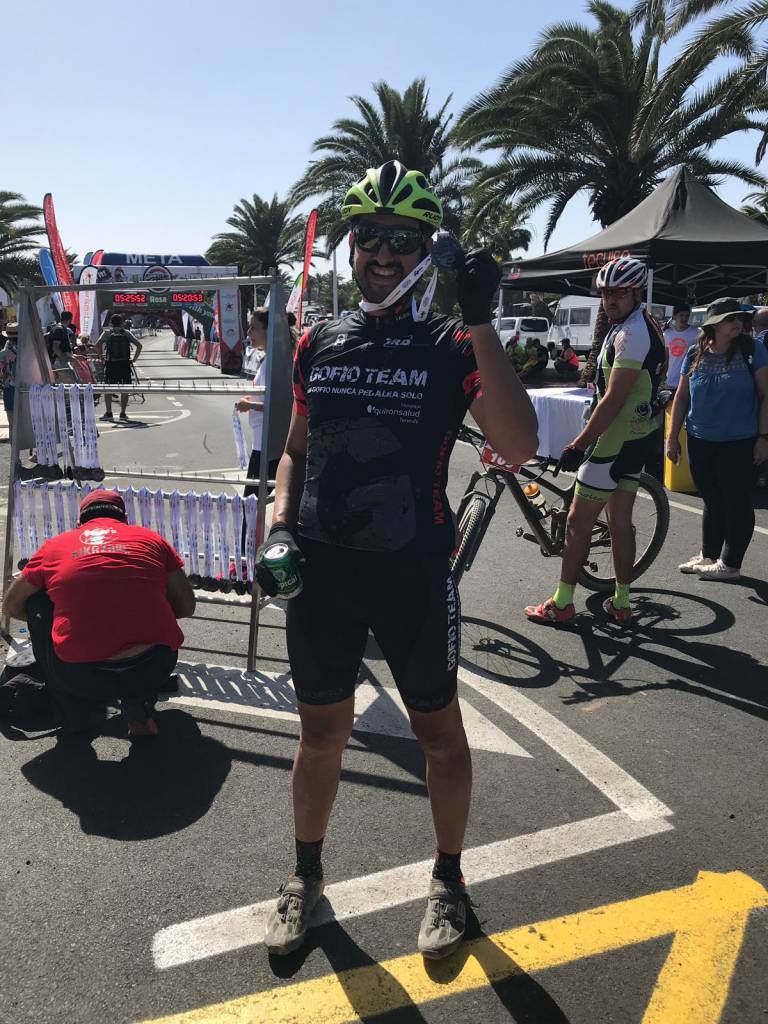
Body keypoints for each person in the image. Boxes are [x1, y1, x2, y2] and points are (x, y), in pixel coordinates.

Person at [257, 160, 538, 959]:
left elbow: (519, 445)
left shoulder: (452, 345)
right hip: (321, 575)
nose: (384, 253)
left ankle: (449, 882)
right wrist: (279, 525)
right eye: (370, 237)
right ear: (351, 247)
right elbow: (294, 451)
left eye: (403, 239)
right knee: (320, 736)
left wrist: (480, 319)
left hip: (413, 574)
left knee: (439, 737)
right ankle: (304, 879)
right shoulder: (319, 341)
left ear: (425, 250)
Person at [525, 257, 665, 626]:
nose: (610, 300)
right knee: (619, 522)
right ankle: (622, 603)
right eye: (606, 293)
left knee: (578, 522)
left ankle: (562, 604)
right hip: (636, 438)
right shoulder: (642, 324)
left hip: (613, 441)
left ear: (636, 293)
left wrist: (579, 444)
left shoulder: (631, 334)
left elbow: (614, 399)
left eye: (619, 293)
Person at [1, 490, 195, 736]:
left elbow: (11, 605)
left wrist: (62, 618)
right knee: (151, 587)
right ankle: (138, 706)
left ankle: (71, 710)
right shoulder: (152, 540)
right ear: (124, 518)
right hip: (154, 667)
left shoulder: (56, 546)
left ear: (79, 522)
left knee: (38, 603)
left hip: (81, 675)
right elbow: (186, 606)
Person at [667, 297, 768, 580]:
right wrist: (672, 437)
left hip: (740, 440)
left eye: (740, 318)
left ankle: (730, 564)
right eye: (730, 318)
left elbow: (766, 396)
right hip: (700, 438)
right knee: (711, 498)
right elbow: (682, 397)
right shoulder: (694, 352)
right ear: (714, 324)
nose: (738, 323)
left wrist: (764, 438)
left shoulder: (752, 349)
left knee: (736, 500)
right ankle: (709, 555)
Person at [96, 313, 142, 421]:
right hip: (125, 364)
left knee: (108, 388)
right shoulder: (126, 333)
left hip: (111, 364)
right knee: (125, 388)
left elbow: (97, 345)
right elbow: (139, 346)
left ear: (111, 323)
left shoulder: (107, 333)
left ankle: (109, 413)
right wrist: (134, 359)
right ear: (122, 323)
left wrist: (101, 357)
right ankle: (123, 413)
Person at [663, 305, 698, 390]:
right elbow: (666, 358)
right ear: (674, 316)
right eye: (681, 315)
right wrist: (663, 377)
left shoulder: (696, 332)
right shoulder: (667, 333)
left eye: (687, 316)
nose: (684, 318)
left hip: (687, 382)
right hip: (670, 381)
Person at [0, 321, 18, 433]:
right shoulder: (27, 351)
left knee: (12, 425)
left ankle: (13, 444)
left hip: (9, 389)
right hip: (25, 388)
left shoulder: (3, 353)